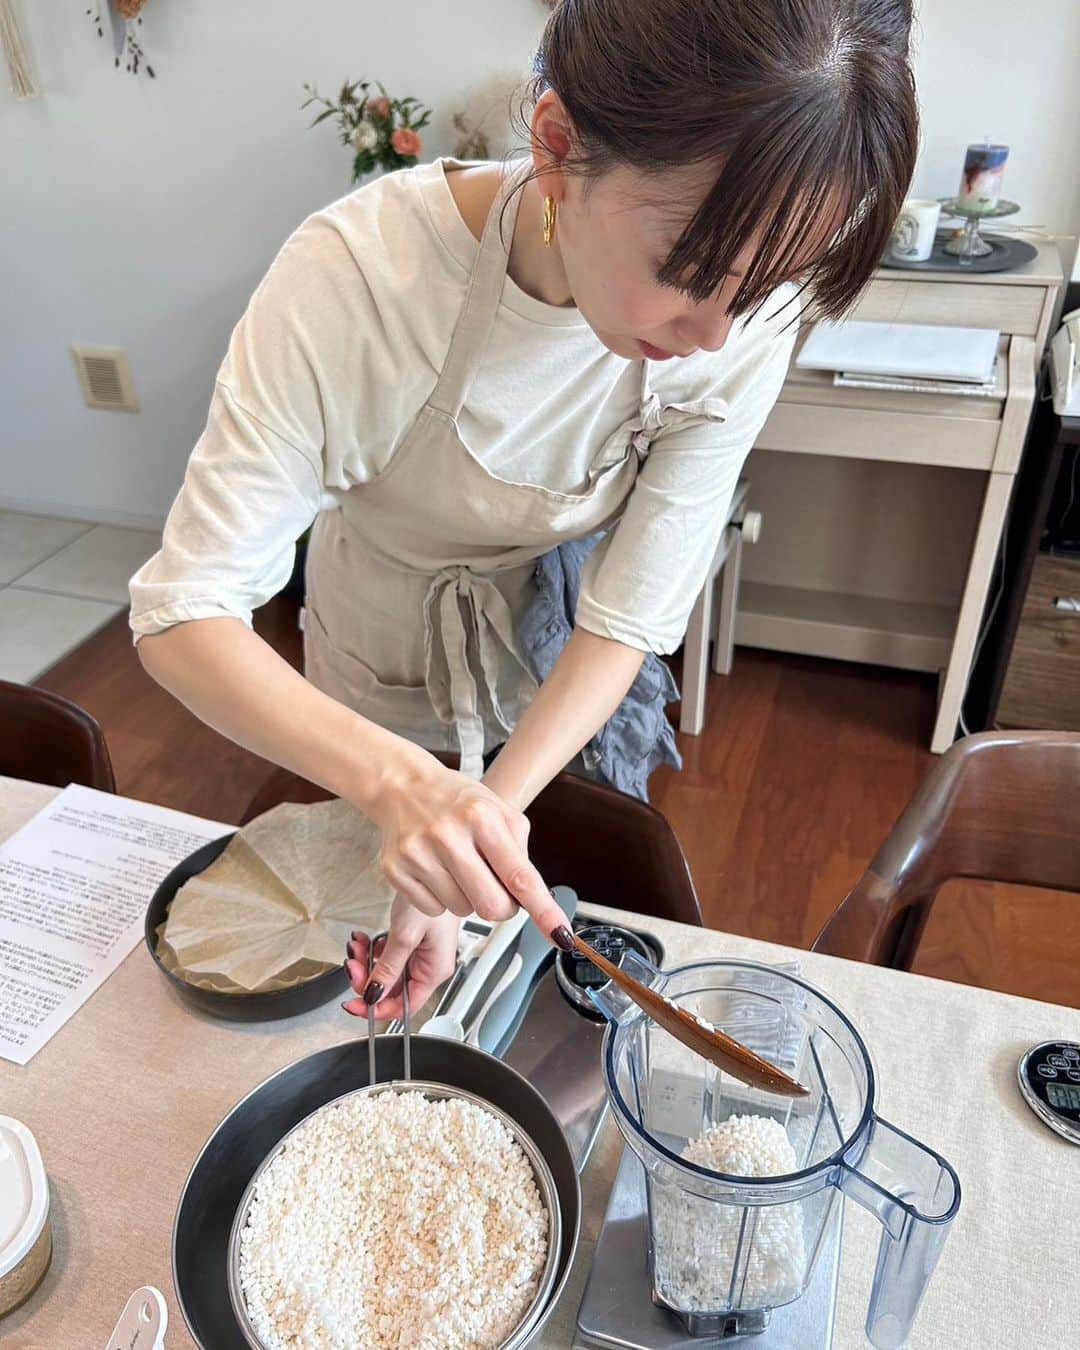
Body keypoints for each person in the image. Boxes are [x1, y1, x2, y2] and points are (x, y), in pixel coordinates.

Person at [130, 0, 918, 1019]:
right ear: (556, 147)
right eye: (692, 274)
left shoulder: (737, 328)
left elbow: (627, 616)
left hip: (553, 658)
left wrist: (484, 819)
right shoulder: (361, 279)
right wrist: (404, 788)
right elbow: (181, 616)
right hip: (375, 657)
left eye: (767, 288)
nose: (720, 337)